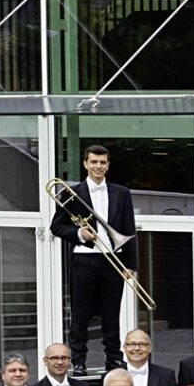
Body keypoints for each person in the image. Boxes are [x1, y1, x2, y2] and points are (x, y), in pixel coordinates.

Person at [51, 142, 137, 371]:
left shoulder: (121, 193)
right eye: (94, 162)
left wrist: (131, 265)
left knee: (112, 312)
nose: (98, 166)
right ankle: (78, 361)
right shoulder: (71, 193)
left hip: (113, 259)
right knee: (80, 313)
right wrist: (79, 233)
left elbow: (130, 230)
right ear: (85, 164)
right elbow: (56, 228)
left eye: (102, 162)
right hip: (85, 260)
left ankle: (113, 358)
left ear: (108, 165)